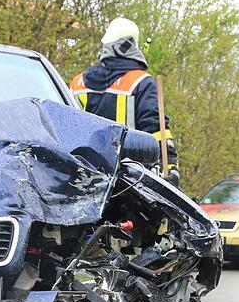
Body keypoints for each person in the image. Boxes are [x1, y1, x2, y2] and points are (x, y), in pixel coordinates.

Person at [70, 17, 177, 181]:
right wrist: (170, 168)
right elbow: (156, 130)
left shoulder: (77, 83)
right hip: (130, 181)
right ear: (132, 45)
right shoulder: (141, 83)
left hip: (83, 178)